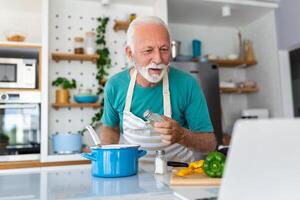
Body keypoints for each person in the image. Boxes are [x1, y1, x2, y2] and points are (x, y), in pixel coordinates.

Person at [100, 16, 216, 162]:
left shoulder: (187, 84)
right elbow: (111, 128)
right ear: (130, 53)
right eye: (148, 50)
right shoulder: (115, 86)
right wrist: (105, 156)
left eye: (164, 49)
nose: (158, 59)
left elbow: (209, 144)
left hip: (178, 175)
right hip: (133, 175)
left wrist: (182, 135)